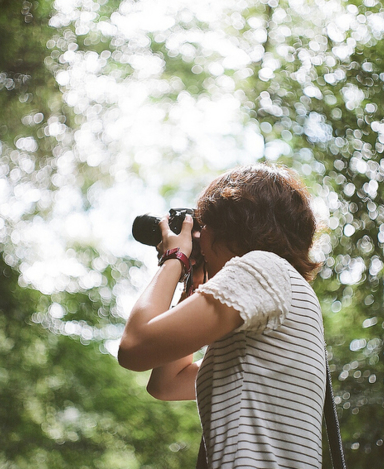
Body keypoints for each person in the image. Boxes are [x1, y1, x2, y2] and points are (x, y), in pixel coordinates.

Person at [118, 163, 326, 468]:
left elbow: (134, 347)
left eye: (202, 226)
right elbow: (167, 383)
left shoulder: (262, 269)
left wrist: (173, 258)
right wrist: (193, 281)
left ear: (230, 224)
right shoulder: (283, 291)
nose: (198, 239)